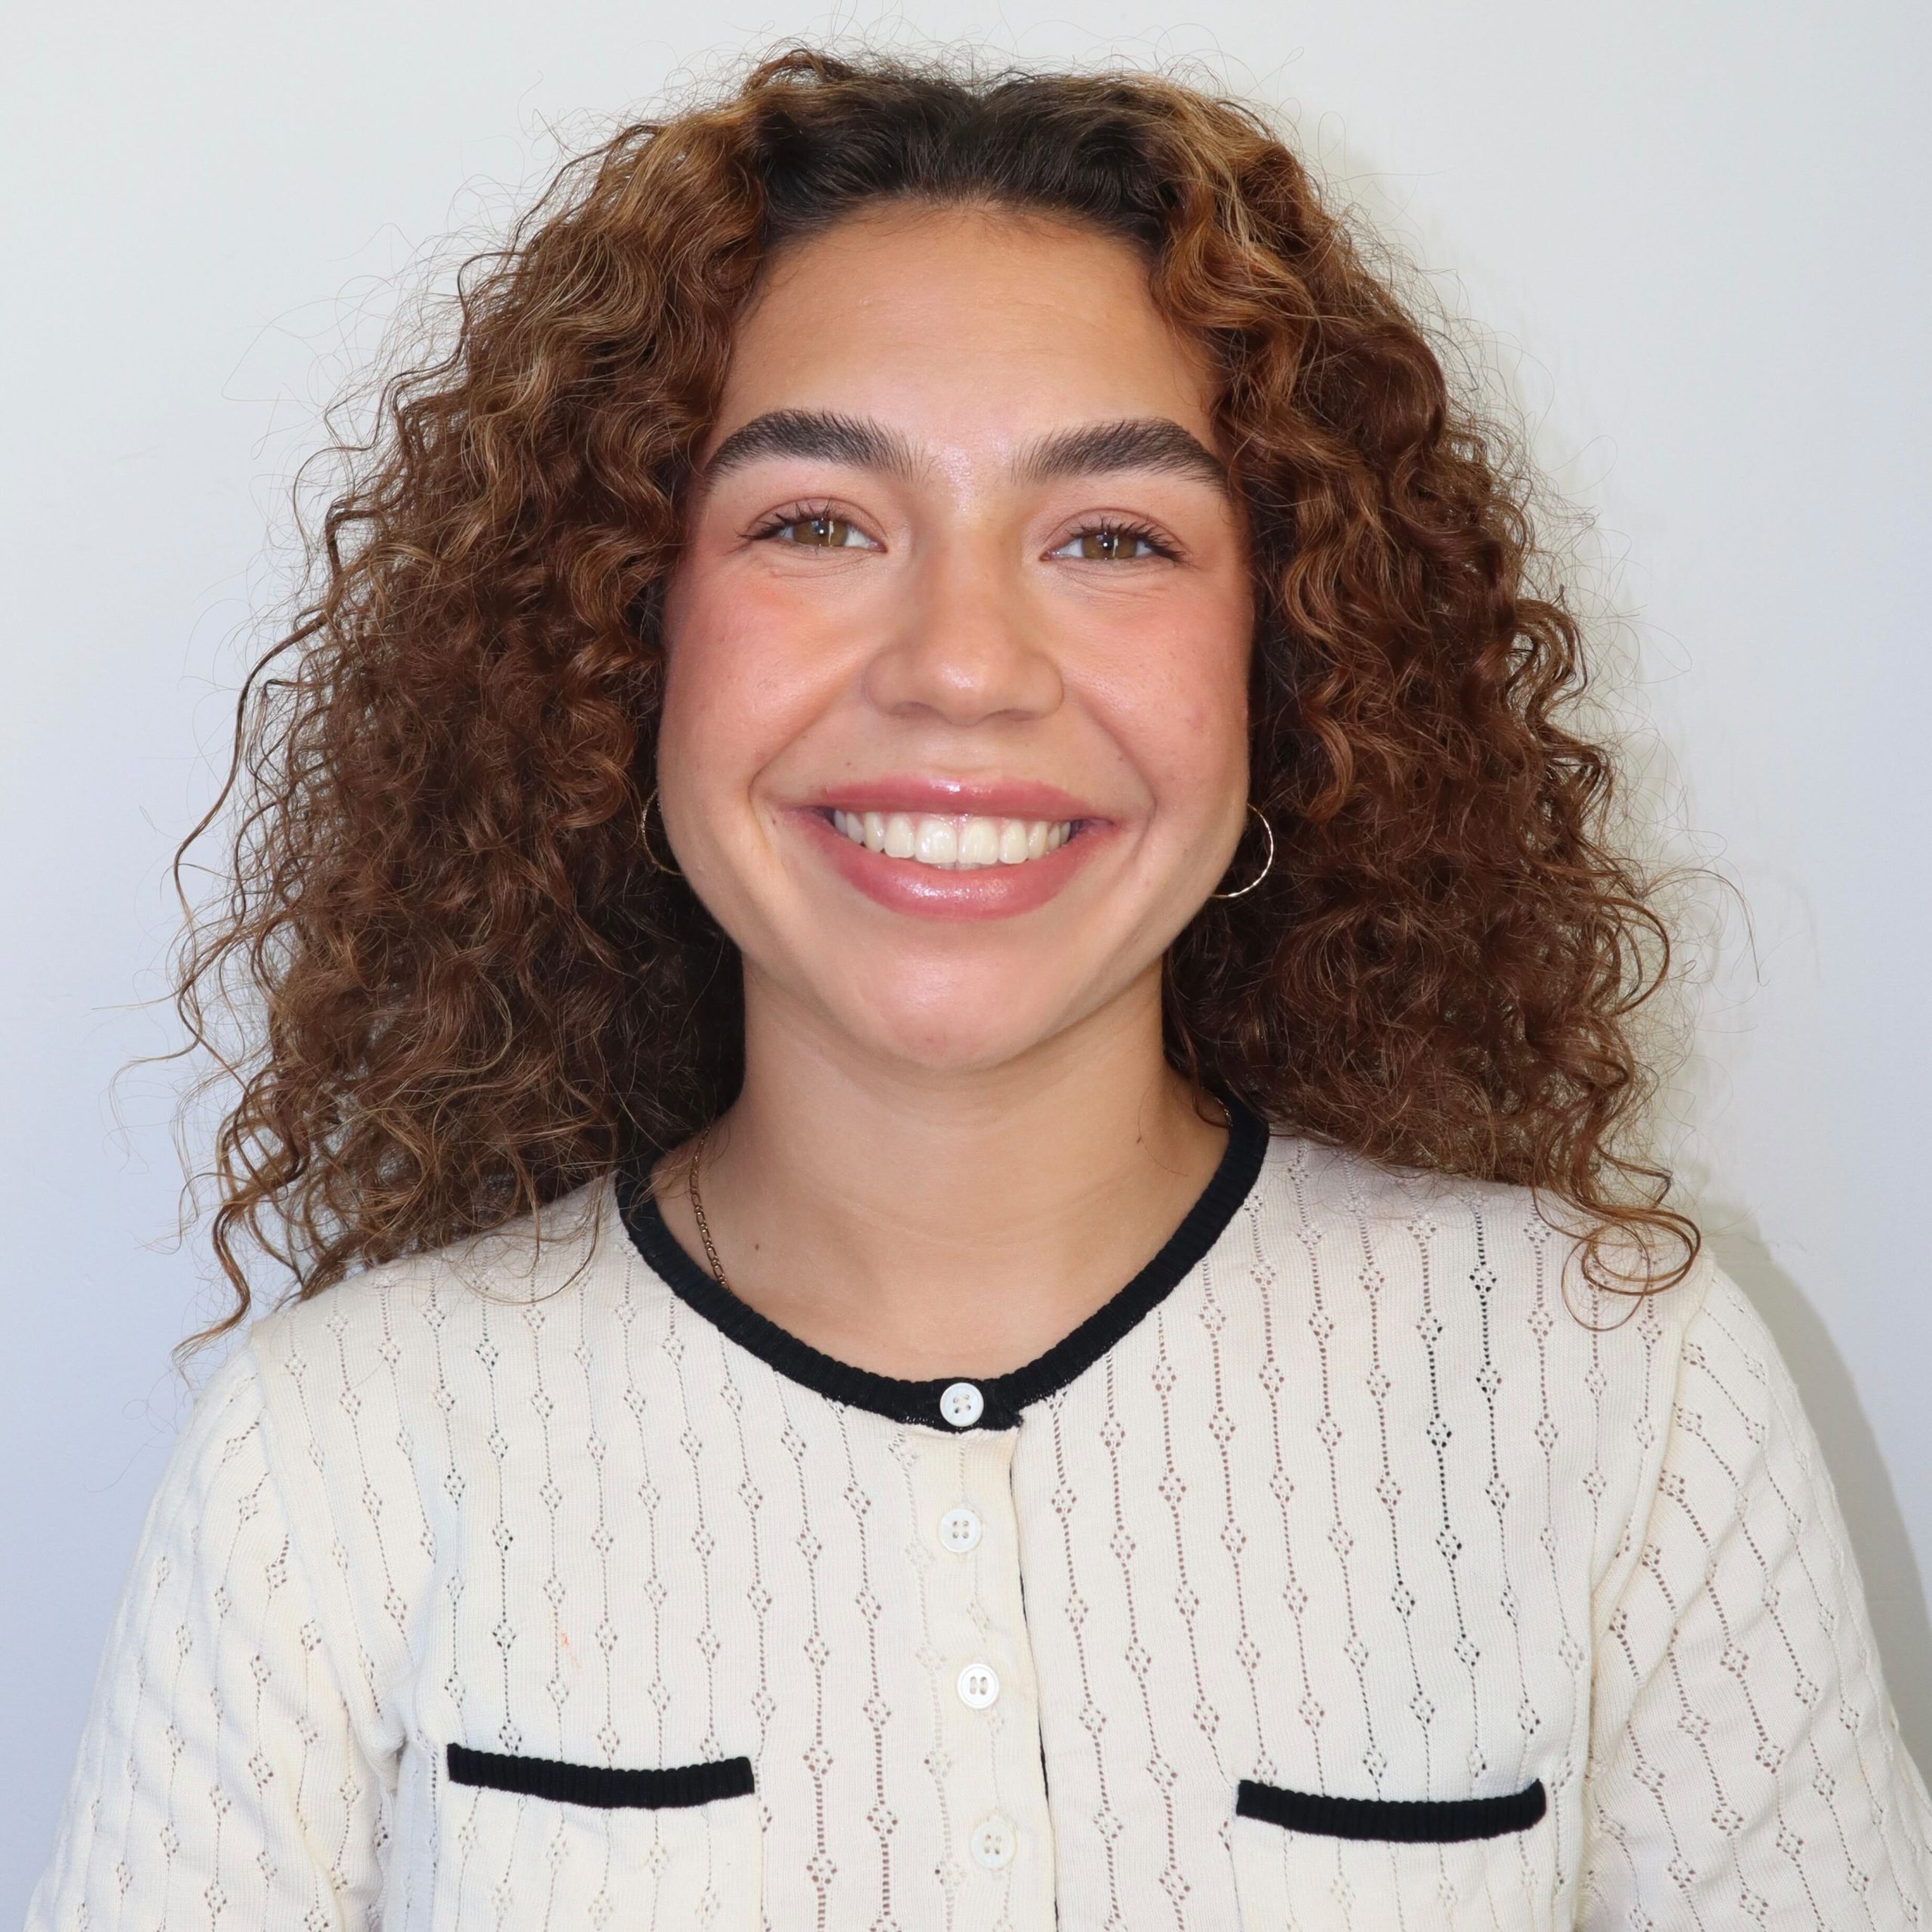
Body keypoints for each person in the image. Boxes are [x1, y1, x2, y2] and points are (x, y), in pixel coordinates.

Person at [25, 43, 1932, 1932]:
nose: (959, 666)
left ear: (1283, 664)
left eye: (1110, 537)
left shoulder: (1621, 1391)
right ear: (627, 635)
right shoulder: (334, 1460)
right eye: (815, 524)